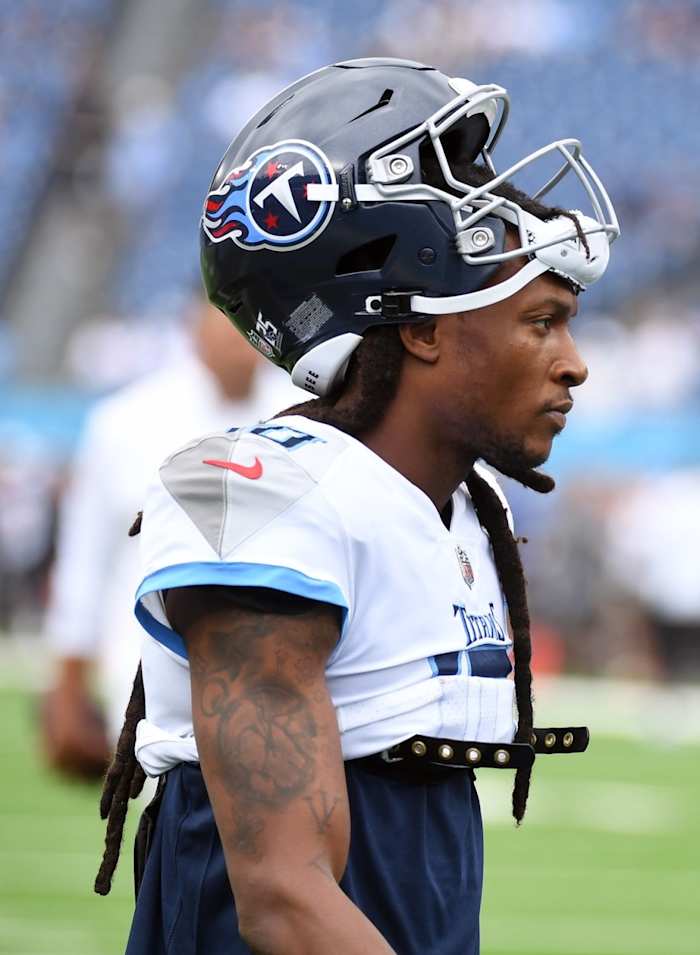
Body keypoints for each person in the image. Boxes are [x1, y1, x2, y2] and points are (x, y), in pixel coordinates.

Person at [96, 58, 618, 953]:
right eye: (540, 321)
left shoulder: (461, 506)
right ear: (418, 325)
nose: (574, 364)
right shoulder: (263, 492)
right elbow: (284, 899)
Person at [41, 300, 304, 779]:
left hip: (285, 655)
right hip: (148, 658)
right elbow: (86, 556)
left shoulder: (305, 418)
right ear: (193, 327)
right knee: (170, 808)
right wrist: (68, 684)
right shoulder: (127, 420)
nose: (236, 341)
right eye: (223, 322)